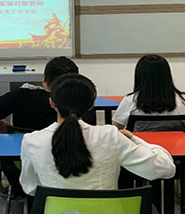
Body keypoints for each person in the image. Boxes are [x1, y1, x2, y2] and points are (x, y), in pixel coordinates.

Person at [20, 73, 176, 195]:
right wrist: (134, 138)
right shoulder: (110, 136)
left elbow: (31, 188)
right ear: (91, 105)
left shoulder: (32, 141)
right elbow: (165, 169)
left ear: (52, 102)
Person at [0, 56, 79, 197]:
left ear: (44, 78)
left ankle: (11, 188)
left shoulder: (22, 95)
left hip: (22, 165)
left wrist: (0, 124)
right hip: (68, 168)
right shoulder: (78, 103)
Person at [112, 54, 185, 131]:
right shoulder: (182, 100)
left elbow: (116, 128)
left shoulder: (130, 100)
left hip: (141, 143)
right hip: (176, 143)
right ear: (167, 76)